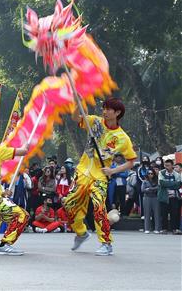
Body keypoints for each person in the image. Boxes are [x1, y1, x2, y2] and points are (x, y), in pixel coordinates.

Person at [63, 97, 137, 256]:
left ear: (117, 113)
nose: (104, 111)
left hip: (100, 177)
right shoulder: (95, 122)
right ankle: (81, 233)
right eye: (103, 108)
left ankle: (106, 243)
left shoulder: (122, 138)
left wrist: (112, 171)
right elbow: (76, 118)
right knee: (68, 205)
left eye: (108, 109)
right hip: (82, 172)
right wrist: (78, 103)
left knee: (98, 208)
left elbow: (131, 161)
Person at [157, 159, 181, 234]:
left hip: (174, 197)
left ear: (172, 166)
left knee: (174, 213)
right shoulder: (161, 172)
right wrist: (173, 183)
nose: (166, 167)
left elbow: (178, 185)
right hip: (164, 197)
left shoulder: (177, 174)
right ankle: (164, 229)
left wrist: (168, 184)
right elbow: (162, 183)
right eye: (165, 165)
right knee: (164, 214)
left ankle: (174, 229)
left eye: (168, 165)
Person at [141, 169, 161, 234]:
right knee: (147, 214)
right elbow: (143, 190)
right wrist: (153, 189)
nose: (150, 175)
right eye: (149, 173)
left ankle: (157, 229)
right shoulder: (144, 181)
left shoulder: (157, 181)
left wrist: (149, 188)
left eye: (152, 173)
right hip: (147, 198)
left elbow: (158, 188)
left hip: (155, 198)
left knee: (157, 213)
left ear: (154, 174)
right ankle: (147, 228)